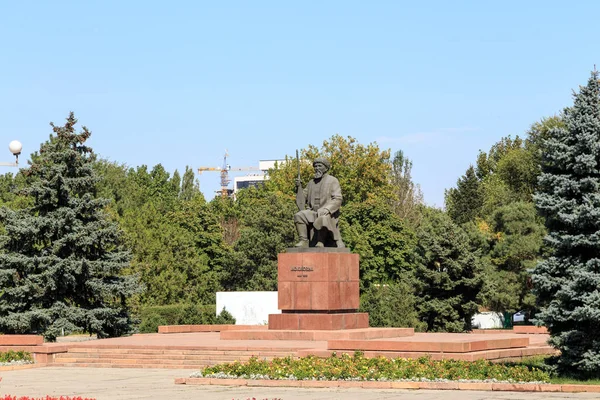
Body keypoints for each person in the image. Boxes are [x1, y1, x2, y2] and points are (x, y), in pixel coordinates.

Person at [294, 157, 345, 248]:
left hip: (327, 212)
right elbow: (302, 200)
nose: (317, 168)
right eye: (315, 166)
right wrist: (299, 188)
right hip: (313, 211)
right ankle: (303, 240)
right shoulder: (311, 183)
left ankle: (321, 241)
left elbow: (337, 198)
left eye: (320, 166)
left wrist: (328, 209)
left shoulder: (332, 180)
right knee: (299, 215)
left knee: (322, 217)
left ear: (326, 168)